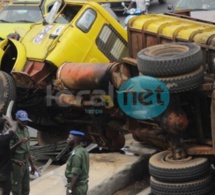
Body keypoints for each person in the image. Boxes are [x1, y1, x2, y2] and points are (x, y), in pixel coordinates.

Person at [10, 110, 36, 195]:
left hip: (26, 161)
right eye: (22, 121)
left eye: (25, 121)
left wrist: (32, 164)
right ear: (17, 120)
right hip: (17, 162)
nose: (24, 123)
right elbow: (8, 151)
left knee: (26, 188)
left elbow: (27, 149)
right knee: (17, 188)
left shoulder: (26, 130)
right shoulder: (12, 131)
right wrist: (19, 142)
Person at [65, 130, 89, 195]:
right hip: (83, 186)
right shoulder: (83, 150)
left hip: (76, 188)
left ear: (75, 140)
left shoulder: (76, 155)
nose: (67, 139)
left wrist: (70, 190)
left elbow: (75, 174)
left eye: (69, 138)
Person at [0, 113, 17, 195]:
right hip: (4, 174)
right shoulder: (5, 138)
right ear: (3, 127)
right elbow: (13, 127)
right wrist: (7, 118)